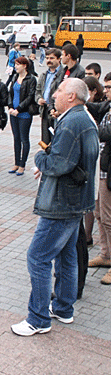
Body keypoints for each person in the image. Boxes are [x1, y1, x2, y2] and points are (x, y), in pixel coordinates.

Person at [11, 78, 98, 336]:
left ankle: (38, 319)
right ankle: (63, 308)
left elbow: (59, 163)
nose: (54, 94)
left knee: (37, 257)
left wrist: (40, 157)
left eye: (59, 90)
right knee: (67, 255)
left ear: (72, 96)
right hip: (75, 200)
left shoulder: (72, 122)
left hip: (62, 202)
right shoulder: (83, 118)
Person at [89, 77, 111, 285]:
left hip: (108, 171)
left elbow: (106, 133)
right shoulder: (108, 106)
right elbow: (96, 106)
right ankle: (105, 254)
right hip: (101, 168)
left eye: (110, 87)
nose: (106, 91)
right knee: (99, 214)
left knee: (109, 218)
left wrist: (89, 125)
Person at [7, 56, 37, 176]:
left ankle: (22, 165)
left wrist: (19, 109)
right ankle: (16, 162)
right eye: (15, 64)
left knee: (24, 138)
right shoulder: (15, 77)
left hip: (24, 113)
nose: (16, 67)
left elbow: (30, 96)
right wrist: (10, 106)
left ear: (25, 66)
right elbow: (10, 92)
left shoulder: (31, 79)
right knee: (16, 138)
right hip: (13, 112)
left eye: (18, 64)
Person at [35, 48, 64, 144]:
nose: (49, 60)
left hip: (56, 111)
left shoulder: (63, 74)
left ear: (59, 59)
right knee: (45, 140)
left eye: (52, 58)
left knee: (57, 139)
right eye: (47, 58)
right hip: (44, 110)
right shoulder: (44, 74)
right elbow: (38, 90)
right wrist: (39, 99)